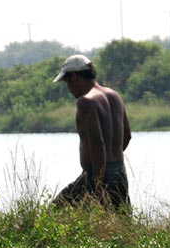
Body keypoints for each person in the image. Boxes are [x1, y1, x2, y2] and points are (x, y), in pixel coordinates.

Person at [52, 54, 132, 212]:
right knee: (122, 221)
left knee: (55, 211)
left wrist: (98, 183)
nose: (68, 88)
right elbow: (127, 136)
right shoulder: (114, 96)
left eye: (67, 82)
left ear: (74, 76)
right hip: (119, 172)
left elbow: (97, 143)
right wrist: (112, 162)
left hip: (95, 175)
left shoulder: (86, 102)